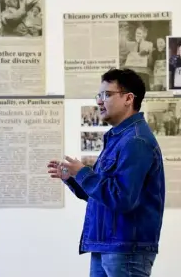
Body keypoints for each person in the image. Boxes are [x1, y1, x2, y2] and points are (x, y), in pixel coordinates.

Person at [47, 68, 166, 277]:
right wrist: (74, 178)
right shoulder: (119, 138)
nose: (100, 101)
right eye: (99, 95)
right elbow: (103, 196)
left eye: (107, 95)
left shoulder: (136, 141)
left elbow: (122, 198)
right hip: (107, 246)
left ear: (129, 99)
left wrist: (83, 173)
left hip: (125, 250)